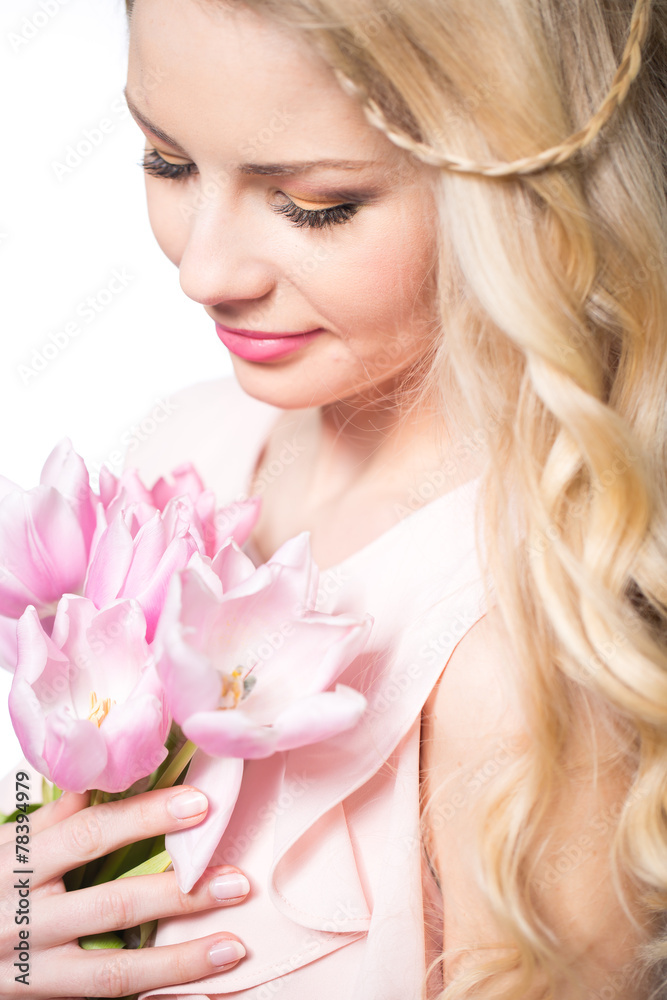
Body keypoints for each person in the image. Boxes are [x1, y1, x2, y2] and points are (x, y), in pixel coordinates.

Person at [1, 0, 666, 996]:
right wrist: (20, 920)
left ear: (519, 186)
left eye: (314, 203)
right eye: (167, 160)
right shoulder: (182, 448)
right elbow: (39, 844)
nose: (201, 270)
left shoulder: (518, 663)